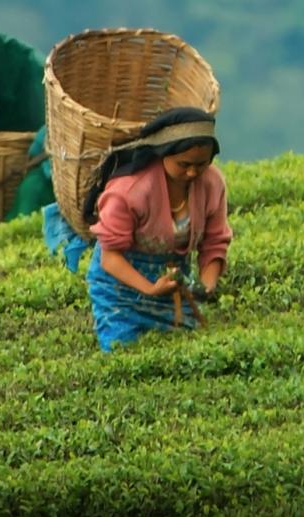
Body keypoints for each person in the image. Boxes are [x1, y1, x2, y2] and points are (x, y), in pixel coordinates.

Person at [62, 107, 232, 351]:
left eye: (201, 164)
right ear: (163, 153)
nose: (193, 172)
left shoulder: (212, 183)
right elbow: (110, 257)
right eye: (184, 164)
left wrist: (206, 285)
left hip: (173, 285)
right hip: (119, 289)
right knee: (122, 349)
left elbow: (215, 242)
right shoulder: (129, 191)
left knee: (186, 350)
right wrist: (150, 288)